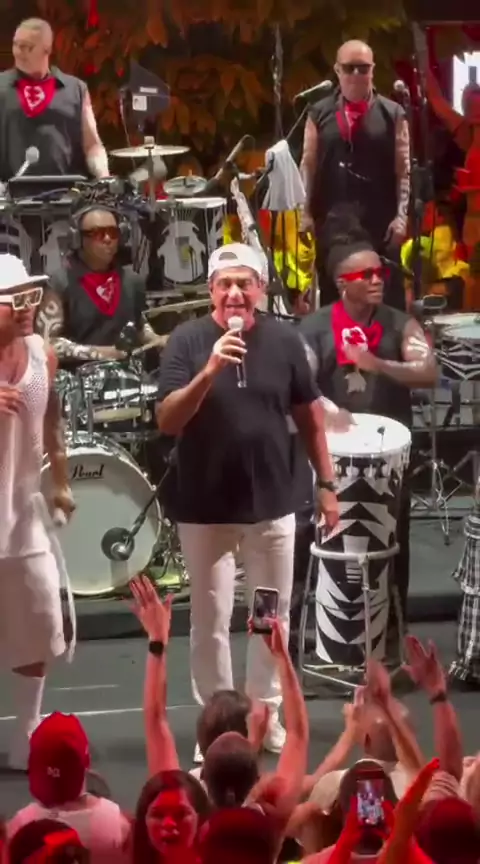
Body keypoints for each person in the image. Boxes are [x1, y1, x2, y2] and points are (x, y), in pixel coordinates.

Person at [156, 241, 338, 759]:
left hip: (271, 506)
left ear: (260, 288)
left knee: (268, 618)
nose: (234, 293)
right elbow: (168, 420)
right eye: (225, 284)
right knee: (210, 619)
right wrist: (210, 370)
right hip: (206, 509)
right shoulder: (188, 341)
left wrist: (327, 485)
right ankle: (218, 725)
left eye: (244, 283)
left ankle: (264, 714)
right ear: (211, 290)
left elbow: (309, 417)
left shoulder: (283, 340)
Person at [297, 207, 436, 654]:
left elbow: (428, 371)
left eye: (381, 272)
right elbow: (296, 383)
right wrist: (326, 409)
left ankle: (391, 630)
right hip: (329, 458)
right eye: (367, 275)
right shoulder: (315, 328)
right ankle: (311, 628)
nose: (378, 280)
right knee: (315, 536)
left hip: (388, 458)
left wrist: (377, 364)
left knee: (394, 539)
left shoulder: (399, 323)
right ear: (343, 283)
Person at [0, 253, 75, 770]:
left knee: (40, 617)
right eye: (16, 300)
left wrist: (62, 482)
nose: (29, 307)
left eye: (32, 296)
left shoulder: (41, 355)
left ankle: (28, 730)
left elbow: (52, 421)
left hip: (22, 512)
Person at [299, 39, 410, 310]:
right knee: (336, 300)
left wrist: (401, 216)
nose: (357, 74)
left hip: (380, 222)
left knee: (385, 300)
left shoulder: (392, 113)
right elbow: (308, 164)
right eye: (350, 68)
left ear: (373, 70)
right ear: (337, 70)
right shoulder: (318, 112)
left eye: (364, 68)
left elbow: (403, 169)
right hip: (333, 220)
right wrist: (304, 212)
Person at [35, 205, 157, 362]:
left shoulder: (132, 281)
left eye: (113, 233)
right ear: (78, 239)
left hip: (127, 371)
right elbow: (45, 343)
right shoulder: (60, 283)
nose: (107, 239)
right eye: (98, 234)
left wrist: (156, 339)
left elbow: (139, 324)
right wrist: (98, 353)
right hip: (77, 373)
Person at [0, 17, 109, 181]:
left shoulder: (75, 89)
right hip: (11, 192)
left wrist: (104, 176)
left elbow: (92, 145)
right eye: (16, 45)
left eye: (27, 47)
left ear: (47, 49)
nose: (18, 52)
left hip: (68, 190)